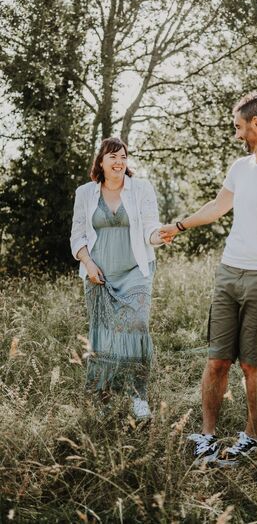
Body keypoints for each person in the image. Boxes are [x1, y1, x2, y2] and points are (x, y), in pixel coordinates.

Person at [160, 92, 257, 466]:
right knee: (217, 361)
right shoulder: (240, 168)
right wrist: (178, 226)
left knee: (252, 365)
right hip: (228, 271)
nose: (236, 134)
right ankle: (207, 436)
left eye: (239, 127)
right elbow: (217, 207)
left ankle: (252, 437)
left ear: (256, 124)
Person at [70, 137, 165, 419]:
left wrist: (159, 235)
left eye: (123, 156)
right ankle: (104, 398)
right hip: (99, 273)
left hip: (136, 270)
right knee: (104, 336)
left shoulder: (141, 189)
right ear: (101, 161)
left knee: (136, 327)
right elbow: (77, 235)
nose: (119, 161)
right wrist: (87, 263)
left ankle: (139, 397)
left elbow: (150, 226)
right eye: (112, 156)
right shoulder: (85, 193)